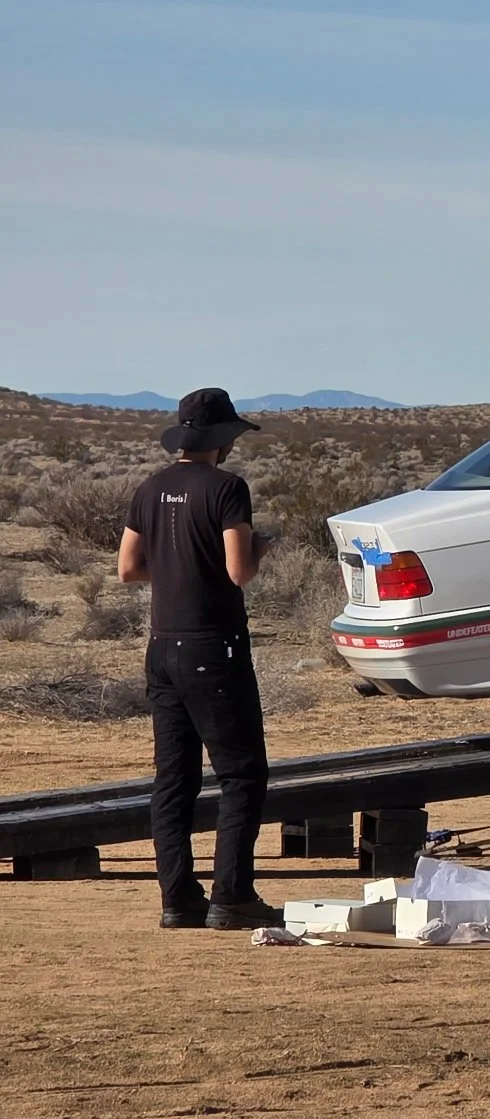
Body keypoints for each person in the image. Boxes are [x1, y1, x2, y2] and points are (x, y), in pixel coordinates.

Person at [117, 388, 281, 930]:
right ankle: (231, 895)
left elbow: (128, 569)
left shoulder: (150, 488)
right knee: (240, 774)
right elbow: (240, 572)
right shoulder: (228, 488)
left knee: (174, 778)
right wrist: (260, 545)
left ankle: (177, 897)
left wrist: (176, 569)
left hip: (162, 647)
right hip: (215, 646)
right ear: (222, 439)